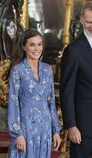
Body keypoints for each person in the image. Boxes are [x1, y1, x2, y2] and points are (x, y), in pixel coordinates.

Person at [6, 29, 61, 158]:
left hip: (45, 129)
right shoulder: (17, 70)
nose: (37, 48)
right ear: (24, 47)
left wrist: (55, 130)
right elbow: (13, 103)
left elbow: (51, 102)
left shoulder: (47, 70)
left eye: (39, 44)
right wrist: (17, 133)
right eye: (32, 45)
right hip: (25, 129)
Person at [60, 2, 92, 157]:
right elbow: (67, 91)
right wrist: (71, 126)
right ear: (81, 21)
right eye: (88, 22)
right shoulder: (72, 51)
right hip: (82, 128)